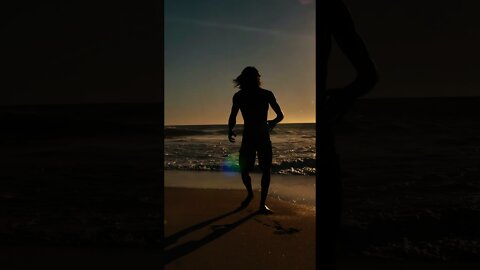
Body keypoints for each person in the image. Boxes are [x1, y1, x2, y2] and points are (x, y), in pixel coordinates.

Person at [228, 66, 284, 214]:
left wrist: (272, 122)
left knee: (266, 169)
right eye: (256, 77)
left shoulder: (266, 94)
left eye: (257, 77)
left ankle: (262, 204)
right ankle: (251, 193)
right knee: (244, 170)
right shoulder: (239, 96)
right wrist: (230, 129)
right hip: (249, 137)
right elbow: (233, 115)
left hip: (262, 136)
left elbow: (280, 115)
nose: (257, 79)